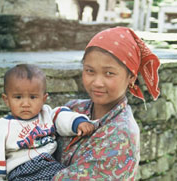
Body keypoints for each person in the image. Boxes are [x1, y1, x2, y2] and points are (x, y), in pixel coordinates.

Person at [53, 27, 160, 180]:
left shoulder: (122, 134)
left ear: (131, 76)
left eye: (109, 73)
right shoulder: (73, 109)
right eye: (90, 71)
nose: (97, 82)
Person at [0, 64, 95, 181]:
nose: (25, 104)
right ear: (6, 100)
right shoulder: (1, 128)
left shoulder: (46, 114)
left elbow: (62, 117)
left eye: (32, 97)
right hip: (22, 172)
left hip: (51, 165)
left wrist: (79, 123)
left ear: (43, 99)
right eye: (18, 97)